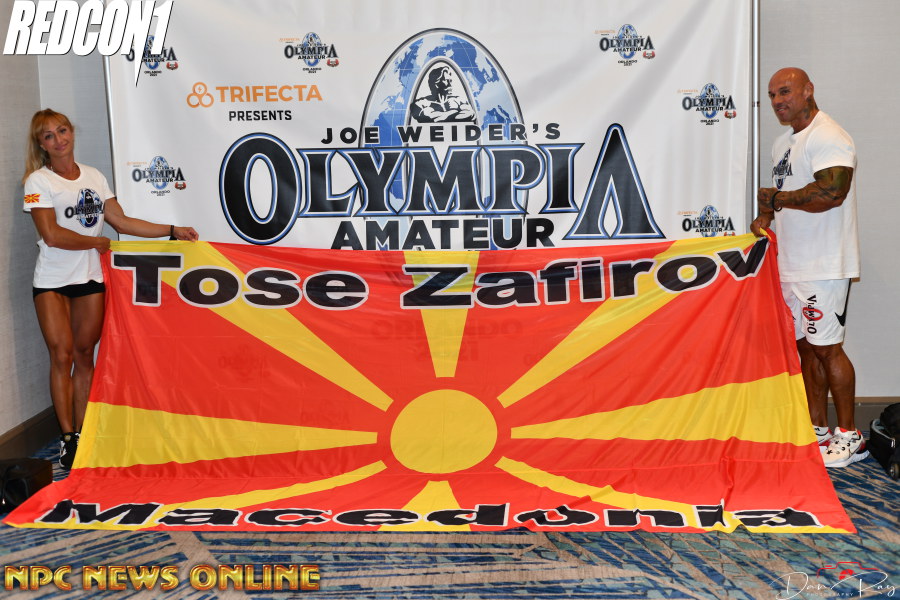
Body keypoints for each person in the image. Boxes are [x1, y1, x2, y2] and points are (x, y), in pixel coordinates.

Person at [21, 108, 199, 469]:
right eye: (49, 136)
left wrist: (171, 230)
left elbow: (121, 221)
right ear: (41, 145)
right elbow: (51, 235)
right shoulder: (38, 181)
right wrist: (94, 242)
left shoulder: (94, 176)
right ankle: (67, 439)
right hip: (52, 281)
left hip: (89, 279)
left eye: (62, 131)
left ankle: (84, 432)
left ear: (72, 132)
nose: (59, 140)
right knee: (62, 356)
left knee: (85, 356)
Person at [751, 68, 867, 468]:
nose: (777, 101)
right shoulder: (782, 142)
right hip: (793, 262)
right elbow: (782, 197)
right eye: (772, 95)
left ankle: (850, 435)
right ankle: (817, 428)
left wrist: (777, 200)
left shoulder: (828, 134)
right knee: (805, 347)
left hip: (825, 262)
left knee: (828, 348)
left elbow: (833, 190)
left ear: (808, 91)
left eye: (785, 91)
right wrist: (765, 217)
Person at [411, 65, 475, 123]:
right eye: (446, 80)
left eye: (450, 81)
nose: (450, 84)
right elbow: (432, 118)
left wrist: (445, 115)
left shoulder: (459, 100)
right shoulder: (420, 103)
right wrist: (456, 112)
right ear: (436, 84)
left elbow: (471, 114)